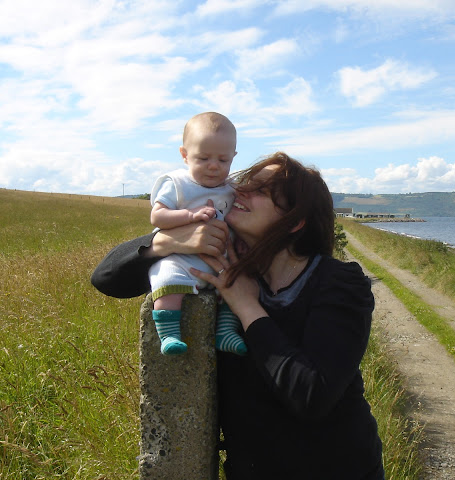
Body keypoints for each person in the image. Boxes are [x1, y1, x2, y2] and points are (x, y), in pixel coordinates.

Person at [91, 152, 385, 479]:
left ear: (294, 221)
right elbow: (106, 278)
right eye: (245, 183)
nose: (240, 191)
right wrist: (166, 242)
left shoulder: (338, 283)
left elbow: (312, 394)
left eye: (260, 191)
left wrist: (247, 307)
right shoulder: (226, 265)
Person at [148, 111, 246, 355]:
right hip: (181, 259)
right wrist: (189, 215)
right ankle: (169, 334)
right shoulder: (178, 184)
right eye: (203, 158)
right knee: (166, 280)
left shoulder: (232, 188)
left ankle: (226, 333)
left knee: (238, 285)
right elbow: (157, 217)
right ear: (184, 155)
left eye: (223, 160)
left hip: (221, 262)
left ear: (233, 157)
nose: (213, 166)